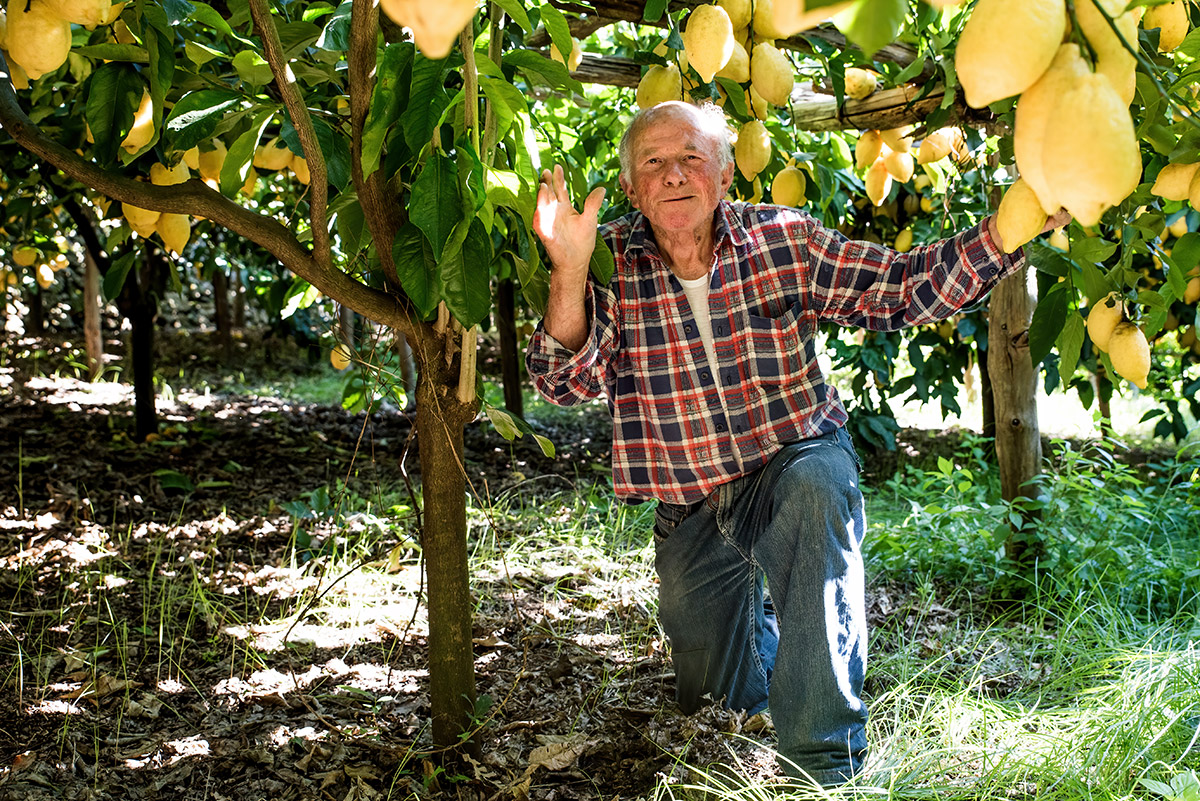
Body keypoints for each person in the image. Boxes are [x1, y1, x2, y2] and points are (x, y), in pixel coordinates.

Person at [524, 100, 1067, 787]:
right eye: (653, 163)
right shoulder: (612, 264)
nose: (674, 176)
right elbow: (562, 383)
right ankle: (792, 672)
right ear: (631, 189)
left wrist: (1003, 235)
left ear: (725, 173)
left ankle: (822, 768)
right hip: (689, 504)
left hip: (790, 463)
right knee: (715, 701)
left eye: (692, 157)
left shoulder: (783, 239)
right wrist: (567, 265)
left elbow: (898, 288)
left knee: (817, 490)